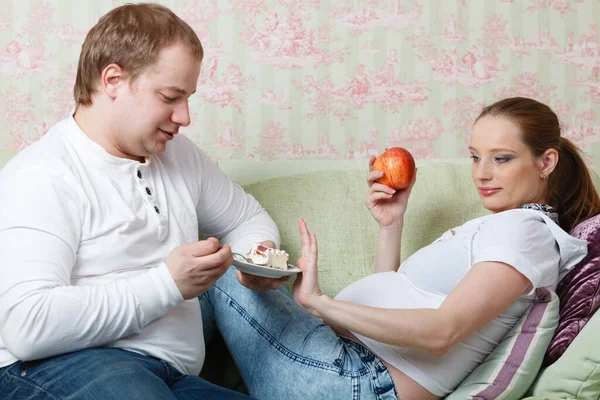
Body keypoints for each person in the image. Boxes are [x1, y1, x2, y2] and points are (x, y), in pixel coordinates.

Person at [200, 97, 600, 399]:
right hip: (349, 365)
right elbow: (395, 298)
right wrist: (391, 225)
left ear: (546, 161)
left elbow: (443, 332)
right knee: (210, 270)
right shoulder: (502, 225)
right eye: (475, 157)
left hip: (356, 382)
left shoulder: (525, 231)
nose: (482, 173)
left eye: (502, 158)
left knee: (214, 265)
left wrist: (320, 302)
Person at [0, 3, 287, 399]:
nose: (185, 116)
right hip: (60, 365)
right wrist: (167, 285)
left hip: (170, 374)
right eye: (170, 96)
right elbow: (27, 326)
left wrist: (257, 257)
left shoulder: (181, 157)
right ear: (113, 80)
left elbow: (248, 218)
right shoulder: (42, 174)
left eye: (188, 98)